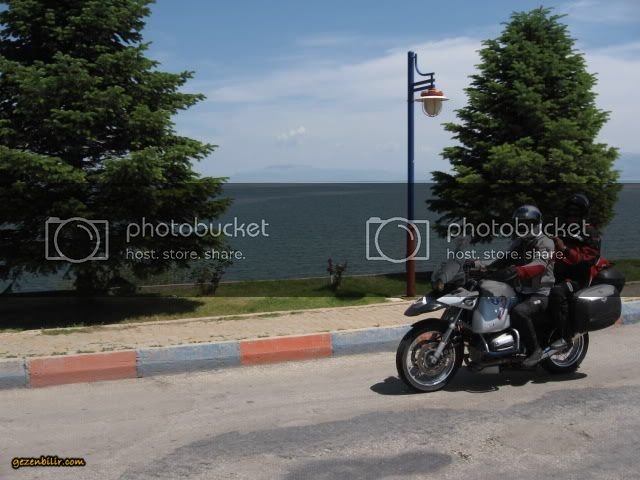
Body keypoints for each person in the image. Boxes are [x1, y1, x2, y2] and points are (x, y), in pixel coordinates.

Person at [484, 205, 555, 367]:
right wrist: (478, 265)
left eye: (526, 223)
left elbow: (539, 265)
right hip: (521, 291)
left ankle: (535, 350)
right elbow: (502, 259)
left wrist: (516, 271)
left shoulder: (545, 242)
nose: (522, 227)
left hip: (540, 293)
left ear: (536, 223)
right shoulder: (520, 242)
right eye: (519, 224)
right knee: (496, 306)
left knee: (519, 312)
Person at [549, 193, 608, 345]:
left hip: (578, 278)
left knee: (557, 293)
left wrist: (564, 249)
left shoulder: (590, 233)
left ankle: (564, 336)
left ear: (583, 214)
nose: (572, 217)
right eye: (570, 213)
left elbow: (587, 261)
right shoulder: (561, 229)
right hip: (558, 273)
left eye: (576, 213)